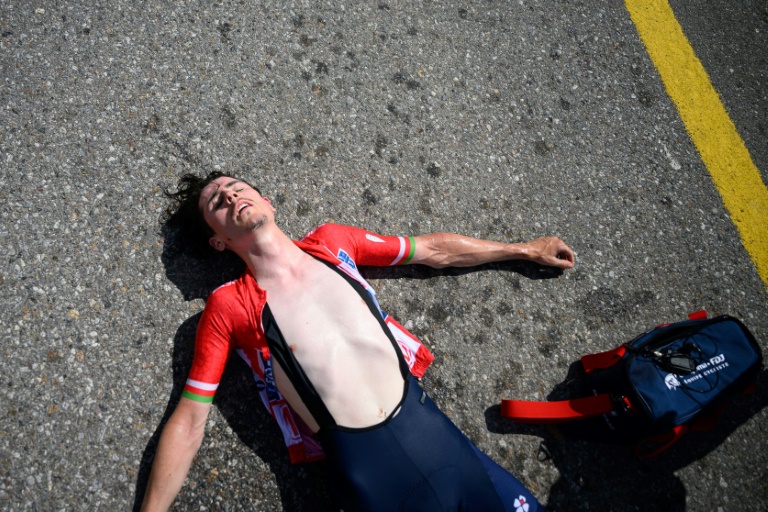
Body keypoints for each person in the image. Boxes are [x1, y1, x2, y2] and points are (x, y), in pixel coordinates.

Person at [141, 171, 575, 511]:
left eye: (237, 188)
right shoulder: (230, 307)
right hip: (374, 484)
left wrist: (524, 249)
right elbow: (189, 421)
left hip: (445, 446)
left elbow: (431, 250)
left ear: (266, 201)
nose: (232, 197)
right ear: (218, 240)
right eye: (218, 201)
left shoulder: (332, 243)